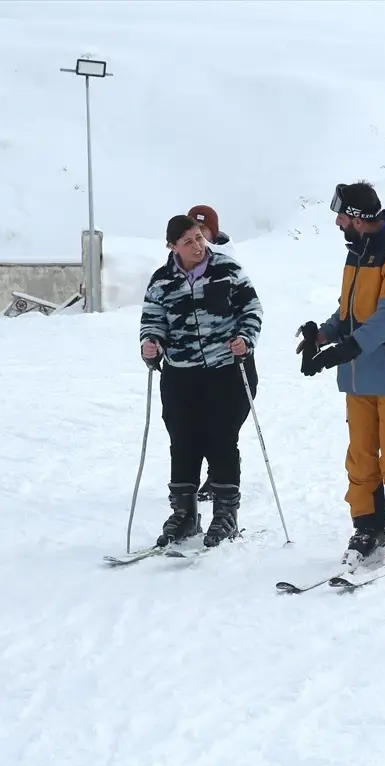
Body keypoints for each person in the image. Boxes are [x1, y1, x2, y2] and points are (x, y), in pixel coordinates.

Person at [297, 181, 385, 569]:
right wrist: (321, 336)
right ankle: (368, 527)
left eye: (342, 215)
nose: (338, 222)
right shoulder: (359, 253)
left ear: (358, 217)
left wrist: (345, 350)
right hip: (358, 377)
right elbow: (349, 312)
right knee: (360, 457)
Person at [139, 214, 264, 548]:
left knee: (221, 438)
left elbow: (252, 310)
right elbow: (153, 321)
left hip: (228, 369)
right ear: (172, 247)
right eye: (187, 242)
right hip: (182, 373)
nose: (196, 246)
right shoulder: (162, 280)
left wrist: (245, 338)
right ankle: (184, 514)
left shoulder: (227, 269)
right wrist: (151, 344)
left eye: (198, 238)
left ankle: (226, 513)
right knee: (183, 440)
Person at [186, 203, 237, 499]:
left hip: (223, 356)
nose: (199, 237)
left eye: (203, 230)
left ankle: (221, 476)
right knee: (196, 421)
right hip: (193, 356)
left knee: (221, 422)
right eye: (194, 229)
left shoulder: (225, 262)